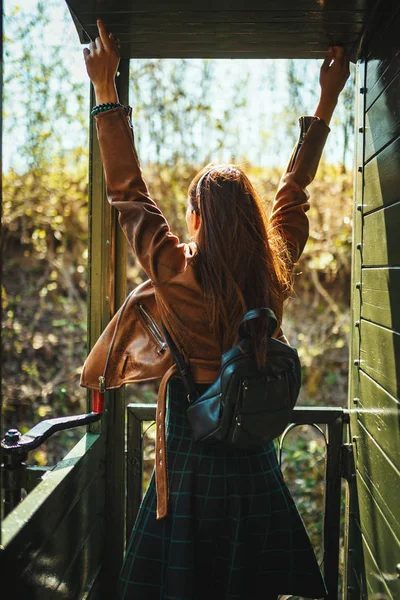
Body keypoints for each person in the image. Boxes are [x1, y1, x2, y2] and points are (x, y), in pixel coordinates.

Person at [83, 19, 350, 600]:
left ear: (199, 219)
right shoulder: (271, 273)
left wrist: (106, 93)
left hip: (190, 458)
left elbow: (128, 193)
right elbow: (294, 191)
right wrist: (327, 99)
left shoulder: (179, 275)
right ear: (250, 221)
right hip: (252, 461)